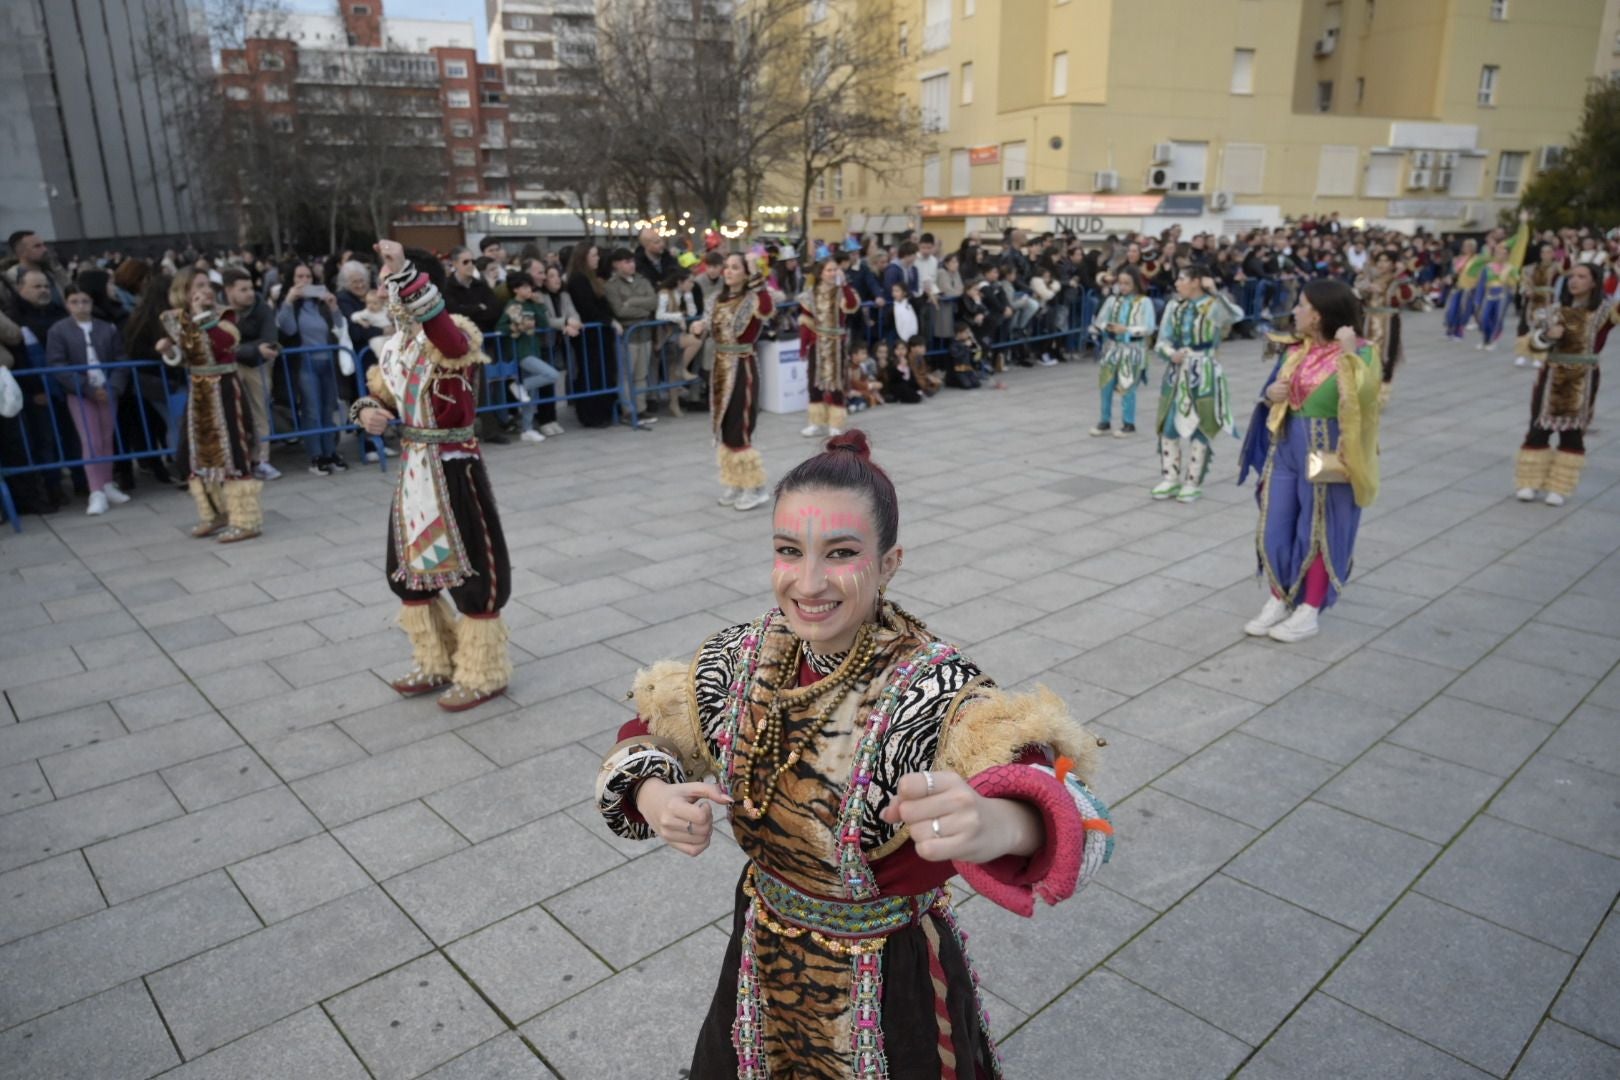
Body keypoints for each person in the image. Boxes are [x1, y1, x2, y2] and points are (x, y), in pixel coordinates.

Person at [592, 430, 1111, 1079]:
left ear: (889, 563)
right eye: (789, 552)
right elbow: (648, 729)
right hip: (759, 951)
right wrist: (654, 793)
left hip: (890, 984)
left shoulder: (936, 691)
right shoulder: (739, 659)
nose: (808, 583)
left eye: (840, 554)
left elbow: (1075, 810)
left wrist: (1000, 822)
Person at [351, 241, 512, 712]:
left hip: (455, 467)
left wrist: (404, 272)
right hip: (414, 472)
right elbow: (379, 397)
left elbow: (450, 342)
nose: (385, 292)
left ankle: (483, 671)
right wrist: (367, 413)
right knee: (407, 571)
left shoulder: (455, 331)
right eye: (386, 282)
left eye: (393, 282)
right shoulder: (394, 347)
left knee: (475, 569)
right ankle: (435, 659)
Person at [1239, 279, 1383, 643]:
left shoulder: (1363, 353)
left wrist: (1349, 354)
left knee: (1318, 529)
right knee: (1275, 525)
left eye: (1301, 305)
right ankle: (1280, 596)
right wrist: (1272, 394)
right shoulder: (1296, 350)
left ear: (1318, 314)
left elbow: (1365, 401)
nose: (1296, 311)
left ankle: (1310, 608)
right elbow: (1278, 394)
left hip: (1328, 452)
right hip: (1285, 447)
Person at [154, 269, 262, 543]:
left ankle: (245, 519)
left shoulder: (222, 316)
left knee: (233, 450)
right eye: (198, 285)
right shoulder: (177, 319)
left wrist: (202, 315)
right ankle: (215, 513)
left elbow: (224, 343)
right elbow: (186, 355)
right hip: (200, 391)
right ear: (185, 291)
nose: (206, 290)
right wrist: (169, 350)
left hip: (225, 389)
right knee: (199, 452)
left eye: (207, 285)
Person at [1514, 262, 1615, 506]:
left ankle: (1559, 486)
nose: (1574, 281)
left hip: (1583, 376)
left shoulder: (1604, 312)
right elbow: (1531, 345)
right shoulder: (1554, 310)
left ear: (1594, 282)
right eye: (1572, 276)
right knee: (1538, 427)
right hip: (1552, 375)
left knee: (1572, 433)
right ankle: (1530, 481)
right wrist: (1548, 336)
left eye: (1582, 276)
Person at [1151, 269, 1242, 503]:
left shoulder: (1213, 305)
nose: (1177, 283)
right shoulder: (1174, 306)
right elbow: (1162, 340)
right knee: (1169, 423)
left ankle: (1193, 481)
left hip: (1205, 371)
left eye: (1182, 279)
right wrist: (1170, 353)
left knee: (1202, 424)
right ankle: (1170, 477)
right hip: (1177, 372)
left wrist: (1215, 291)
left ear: (1196, 282)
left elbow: (1235, 315)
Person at [46, 285, 130, 515]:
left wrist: (113, 386)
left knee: (106, 438)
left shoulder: (107, 329)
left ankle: (106, 482)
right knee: (90, 440)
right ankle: (96, 490)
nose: (81, 306)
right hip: (81, 392)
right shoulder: (59, 331)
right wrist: (85, 387)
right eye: (75, 301)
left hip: (107, 389)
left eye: (85, 301)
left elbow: (120, 358)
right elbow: (57, 365)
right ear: (67, 304)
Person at [709, 252, 774, 510]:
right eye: (726, 266)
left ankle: (756, 487)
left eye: (735, 267)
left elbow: (768, 309)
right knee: (725, 428)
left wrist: (756, 274)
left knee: (740, 426)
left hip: (742, 367)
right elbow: (709, 325)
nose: (728, 271)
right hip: (720, 369)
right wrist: (699, 329)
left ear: (746, 273)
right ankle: (735, 481)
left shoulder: (754, 299)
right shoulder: (717, 299)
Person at [275, 261, 347, 475]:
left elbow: (340, 327)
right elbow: (287, 328)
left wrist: (334, 307)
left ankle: (331, 451)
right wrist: (288, 300)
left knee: (328, 410)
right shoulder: (290, 305)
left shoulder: (321, 304)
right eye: (299, 277)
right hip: (305, 362)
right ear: (292, 280)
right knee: (312, 410)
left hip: (328, 362)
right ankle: (317, 456)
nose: (305, 281)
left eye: (308, 277)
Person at [443, 247, 508, 445]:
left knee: (487, 386)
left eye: (471, 261)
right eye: (465, 262)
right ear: (454, 264)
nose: (470, 265)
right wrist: (478, 309)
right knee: (464, 389)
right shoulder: (448, 287)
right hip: (461, 346)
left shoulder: (480, 286)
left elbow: (494, 309)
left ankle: (492, 428)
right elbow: (454, 313)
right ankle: (464, 431)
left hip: (483, 342)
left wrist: (474, 311)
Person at [222, 268, 281, 480]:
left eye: (251, 288)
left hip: (258, 366)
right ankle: (237, 459)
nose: (249, 293)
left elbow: (270, 338)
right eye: (243, 289)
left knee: (259, 412)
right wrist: (254, 348)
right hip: (231, 366)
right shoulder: (219, 310)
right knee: (232, 413)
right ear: (229, 291)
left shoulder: (261, 307)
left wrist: (244, 349)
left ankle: (262, 460)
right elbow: (221, 343)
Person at [799, 255, 860, 438]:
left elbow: (851, 305)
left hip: (836, 344)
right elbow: (805, 320)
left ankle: (836, 423)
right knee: (814, 381)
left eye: (835, 270)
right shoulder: (811, 294)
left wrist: (844, 285)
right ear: (821, 273)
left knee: (836, 382)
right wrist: (804, 345)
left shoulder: (842, 292)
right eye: (829, 270)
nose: (833, 273)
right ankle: (816, 422)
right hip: (817, 343)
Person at [1090, 266, 1155, 437]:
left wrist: (1127, 330)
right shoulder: (1112, 300)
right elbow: (1099, 321)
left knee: (1127, 385)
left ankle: (1129, 423)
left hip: (1133, 349)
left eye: (1128, 283)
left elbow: (1149, 327)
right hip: (1112, 347)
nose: (1124, 287)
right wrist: (1108, 327)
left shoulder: (1144, 302)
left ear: (1135, 283)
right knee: (1106, 385)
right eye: (1121, 283)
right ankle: (1104, 421)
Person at [497, 271, 561, 443]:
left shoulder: (531, 304)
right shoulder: (511, 305)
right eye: (525, 287)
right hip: (522, 352)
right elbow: (501, 327)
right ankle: (519, 387)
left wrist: (539, 305)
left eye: (529, 286)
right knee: (551, 374)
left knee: (531, 395)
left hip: (534, 350)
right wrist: (516, 327)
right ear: (516, 289)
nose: (529, 290)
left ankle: (527, 428)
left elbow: (544, 322)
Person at [565, 243, 619, 428]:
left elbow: (603, 304)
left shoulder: (591, 278)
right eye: (594, 255)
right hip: (589, 337)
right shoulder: (578, 280)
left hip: (600, 335)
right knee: (591, 373)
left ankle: (604, 411)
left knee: (602, 372)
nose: (597, 259)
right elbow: (588, 307)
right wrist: (608, 321)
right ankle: (591, 413)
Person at [605, 248, 660, 424]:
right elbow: (619, 311)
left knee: (641, 375)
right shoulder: (611, 286)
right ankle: (628, 410)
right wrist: (640, 308)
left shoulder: (642, 280)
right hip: (627, 336)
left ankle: (641, 408)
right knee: (626, 375)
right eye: (626, 262)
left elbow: (653, 302)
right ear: (616, 264)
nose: (631, 265)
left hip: (645, 333)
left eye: (632, 261)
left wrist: (632, 302)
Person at [1474, 219, 1529, 351]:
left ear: (1508, 255)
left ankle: (1492, 340)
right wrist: (1477, 300)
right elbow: (1481, 285)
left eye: (1504, 253)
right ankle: (1485, 339)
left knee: (1498, 318)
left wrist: (1522, 285)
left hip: (1502, 295)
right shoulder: (1488, 267)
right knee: (1485, 317)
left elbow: (1518, 281)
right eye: (1499, 253)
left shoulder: (1510, 268)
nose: (1501, 255)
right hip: (1489, 294)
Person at [655, 270, 703, 417]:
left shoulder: (682, 294)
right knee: (695, 341)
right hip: (666, 334)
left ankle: (674, 404)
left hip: (676, 333)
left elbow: (692, 313)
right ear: (679, 282)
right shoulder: (664, 293)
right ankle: (682, 369)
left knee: (672, 371)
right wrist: (678, 317)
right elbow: (659, 314)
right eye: (689, 281)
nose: (692, 284)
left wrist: (688, 297)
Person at [1443, 239, 1484, 342]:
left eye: (1468, 246)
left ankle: (1459, 332)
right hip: (1458, 286)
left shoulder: (1477, 259)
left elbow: (1480, 274)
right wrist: (1449, 277)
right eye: (1465, 246)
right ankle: (1450, 329)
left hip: (1469, 288)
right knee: (1452, 309)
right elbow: (1454, 273)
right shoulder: (1460, 258)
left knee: (1463, 310)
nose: (1465, 248)